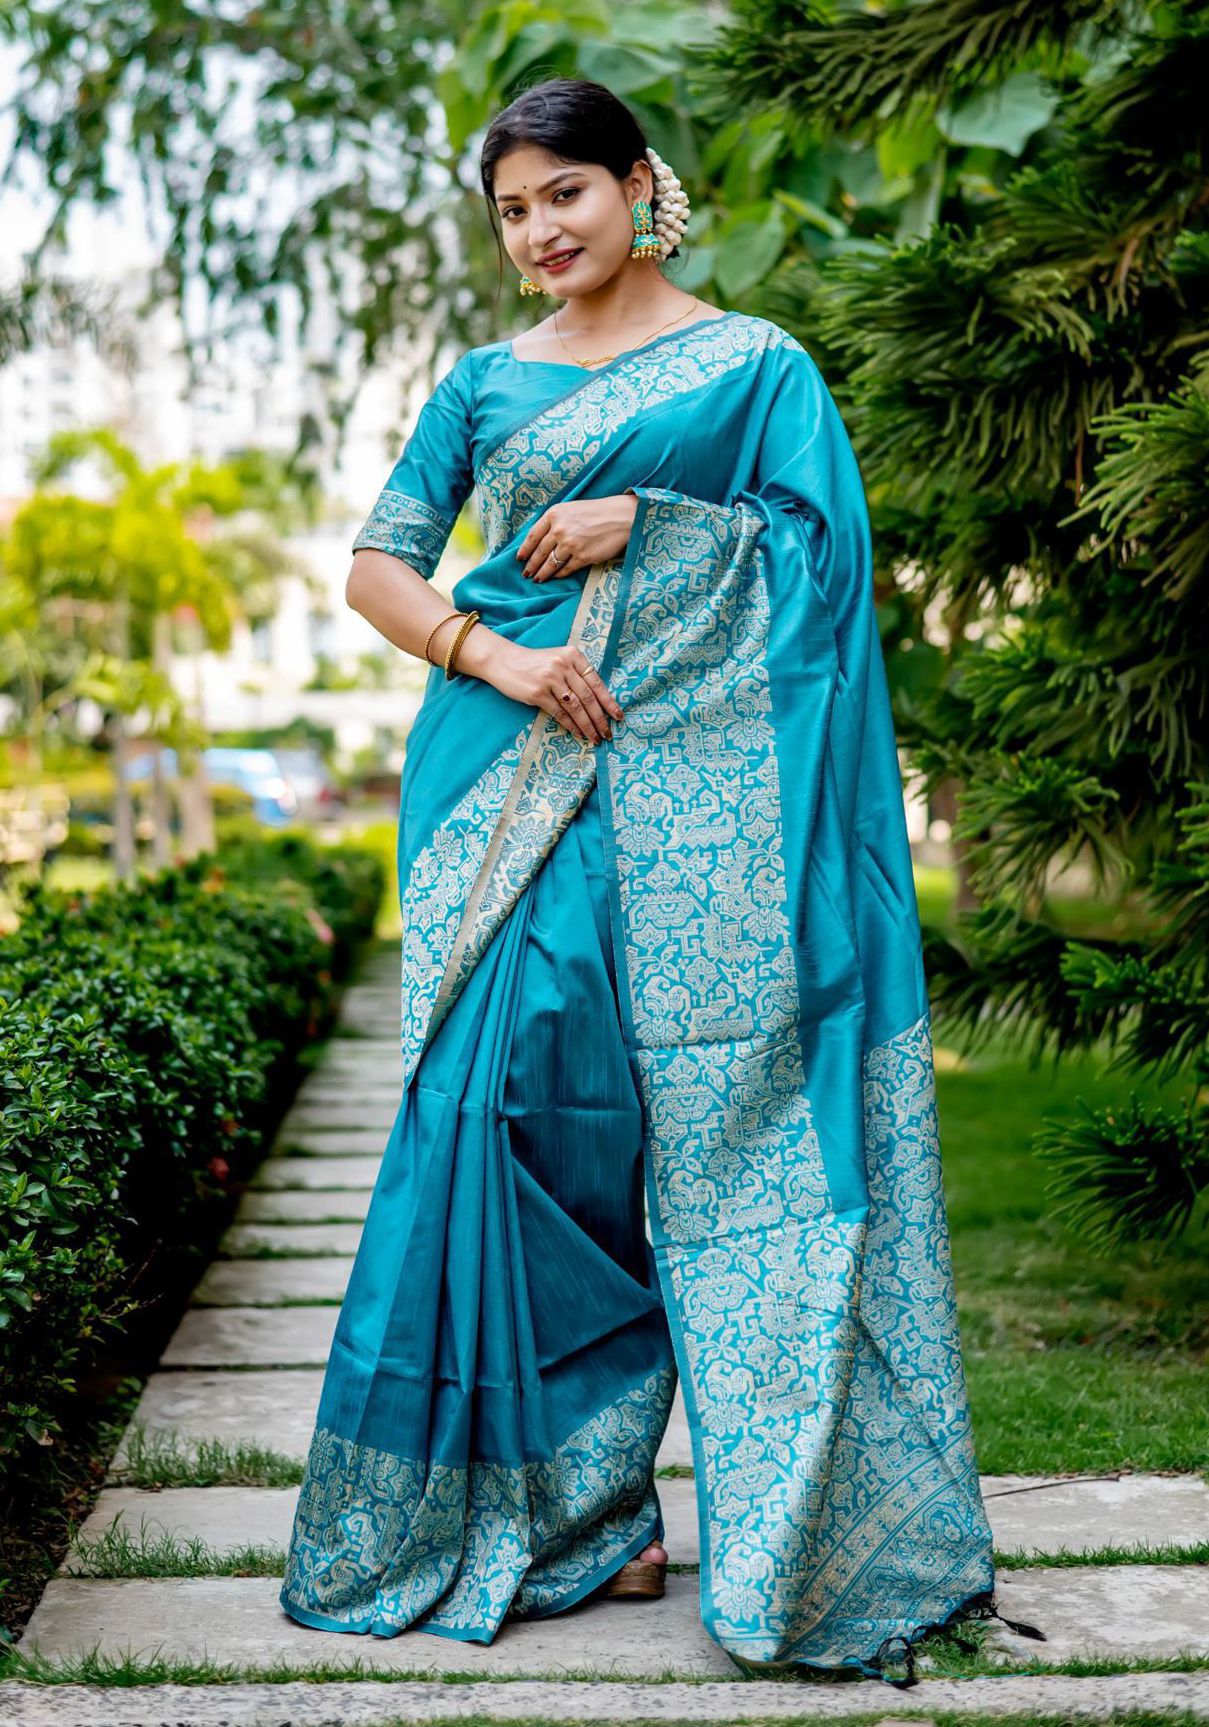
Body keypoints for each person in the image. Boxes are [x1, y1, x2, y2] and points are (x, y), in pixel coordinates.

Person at [278, 74, 997, 1680]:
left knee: (738, 1141)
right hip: (503, 788)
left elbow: (822, 567)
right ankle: (578, 1512)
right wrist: (496, 658)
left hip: (714, 813)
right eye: (511, 210)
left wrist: (649, 526)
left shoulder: (756, 368)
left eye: (564, 194)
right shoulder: (481, 383)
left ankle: (791, 1527)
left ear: (634, 186)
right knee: (514, 1121)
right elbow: (378, 566)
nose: (539, 230)